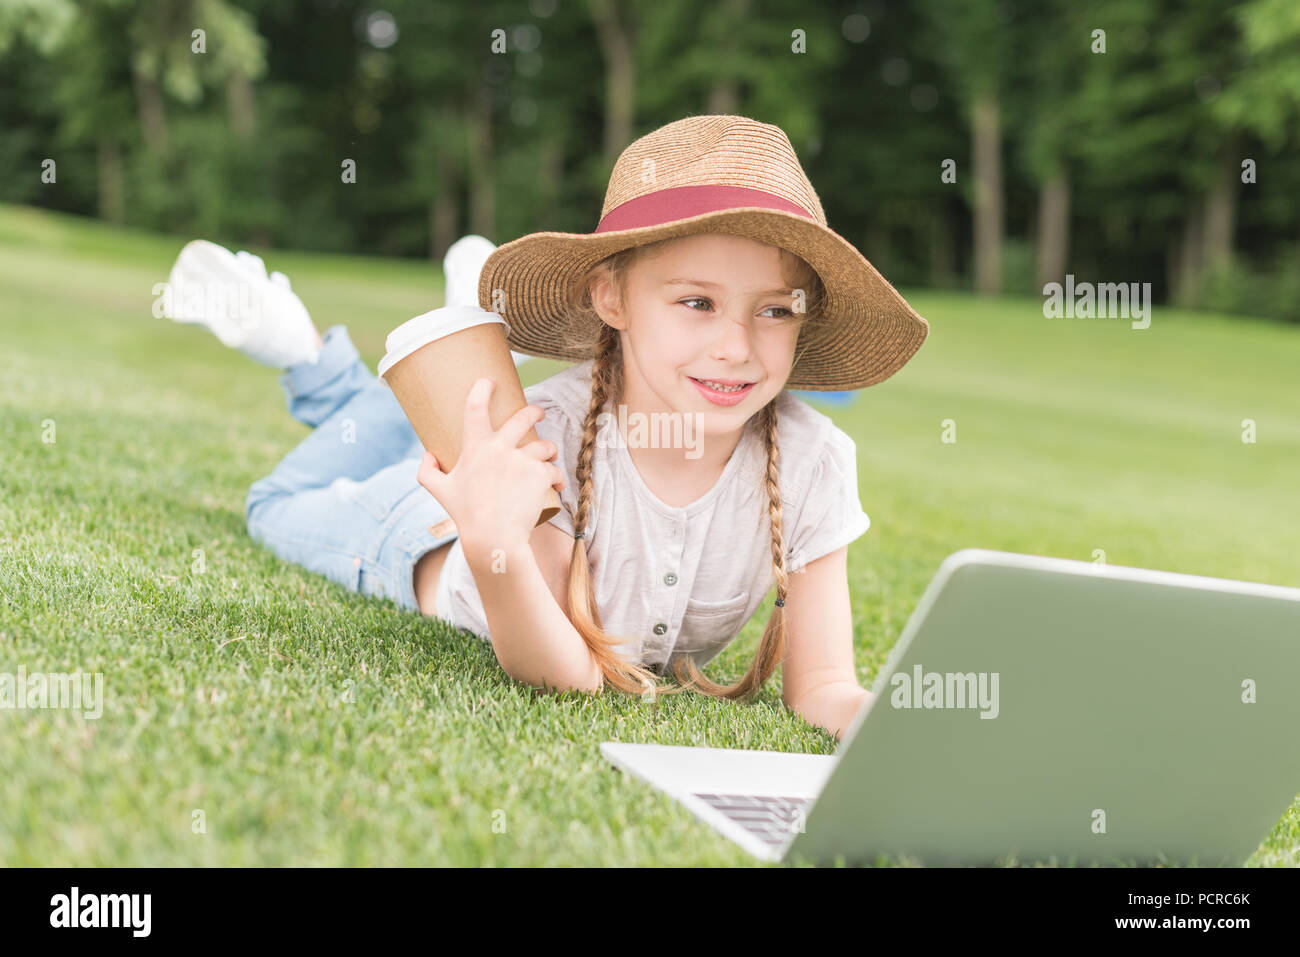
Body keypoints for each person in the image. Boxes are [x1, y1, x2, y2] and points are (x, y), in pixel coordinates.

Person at [161, 114, 929, 741]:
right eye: (697, 302)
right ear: (612, 298)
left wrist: (899, 728)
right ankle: (308, 354)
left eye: (773, 309)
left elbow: (824, 685)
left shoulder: (812, 460)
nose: (737, 345)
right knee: (273, 502)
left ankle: (461, 350)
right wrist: (493, 548)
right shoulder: (557, 430)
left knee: (449, 428)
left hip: (489, 467)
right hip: (419, 532)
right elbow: (567, 672)